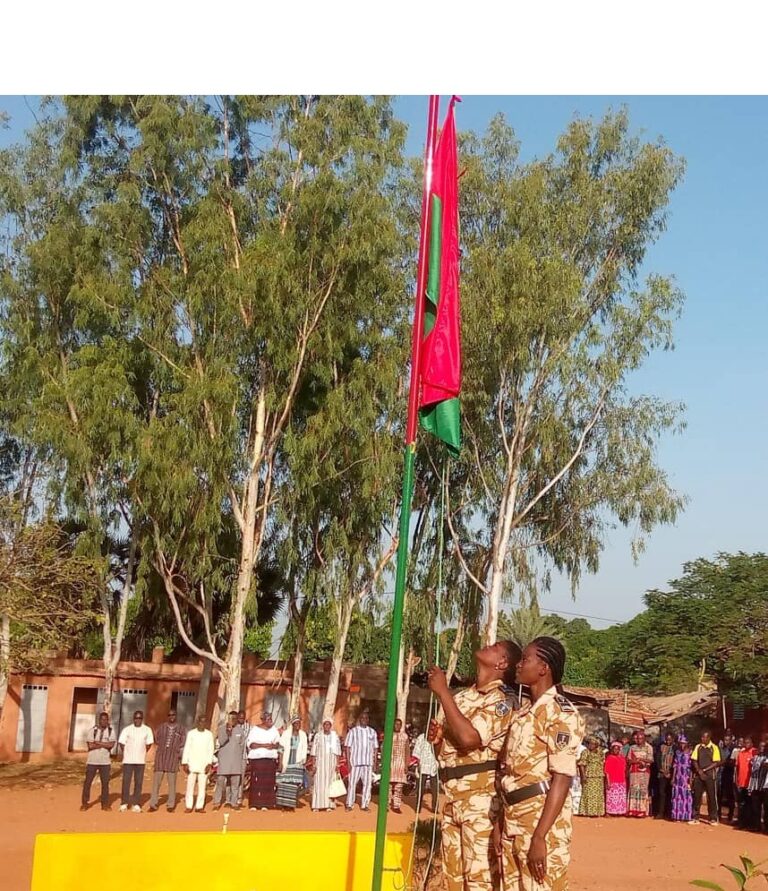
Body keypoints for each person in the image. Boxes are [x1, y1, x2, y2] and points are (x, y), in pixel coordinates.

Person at [428, 640, 520, 891]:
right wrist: (437, 740)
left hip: (480, 801)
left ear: (502, 664)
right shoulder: (463, 697)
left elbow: (470, 738)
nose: (488, 645)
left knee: (480, 881)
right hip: (452, 797)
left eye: (495, 647)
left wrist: (443, 692)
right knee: (454, 880)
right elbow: (447, 751)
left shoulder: (501, 702)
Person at [495, 637, 584, 891]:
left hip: (540, 822)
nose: (518, 665)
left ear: (543, 668)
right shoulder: (523, 714)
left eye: (525, 659)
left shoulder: (560, 714)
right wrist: (502, 820)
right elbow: (512, 773)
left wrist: (540, 837)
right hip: (513, 818)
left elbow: (562, 778)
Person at [148, 707, 186, 812]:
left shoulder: (181, 729)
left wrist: (176, 751)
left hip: (173, 759)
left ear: (176, 716)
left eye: (173, 715)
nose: (171, 717)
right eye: (169, 715)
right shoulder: (161, 727)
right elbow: (157, 739)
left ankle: (170, 805)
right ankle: (153, 804)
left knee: (172, 783)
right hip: (161, 758)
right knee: (156, 783)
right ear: (167, 716)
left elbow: (183, 742)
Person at [118, 710, 154, 812]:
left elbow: (149, 744)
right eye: (136, 718)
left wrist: (142, 752)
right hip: (128, 761)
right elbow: (121, 743)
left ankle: (136, 803)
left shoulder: (147, 730)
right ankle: (124, 803)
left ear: (142, 719)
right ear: (133, 719)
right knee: (126, 782)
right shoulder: (127, 729)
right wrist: (127, 752)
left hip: (140, 761)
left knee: (138, 783)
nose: (137, 720)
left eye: (139, 718)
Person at [344, 711, 379, 812]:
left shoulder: (372, 732)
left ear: (368, 720)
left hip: (368, 763)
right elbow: (347, 747)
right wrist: (348, 762)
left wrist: (375, 762)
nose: (364, 719)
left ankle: (365, 805)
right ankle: (349, 804)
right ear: (360, 719)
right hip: (355, 762)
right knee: (352, 783)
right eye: (362, 718)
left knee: (368, 784)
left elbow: (375, 748)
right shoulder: (353, 731)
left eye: (366, 718)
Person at [81, 712, 116, 811]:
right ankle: (84, 803)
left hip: (105, 762)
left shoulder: (110, 731)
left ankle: (105, 804)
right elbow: (90, 746)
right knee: (88, 782)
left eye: (106, 719)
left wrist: (98, 743)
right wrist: (105, 744)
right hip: (92, 761)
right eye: (102, 719)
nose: (104, 721)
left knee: (105, 784)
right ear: (99, 720)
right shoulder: (92, 731)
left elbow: (111, 745)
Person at [213, 710, 248, 810]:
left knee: (235, 783)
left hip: (236, 761)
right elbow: (221, 742)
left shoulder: (240, 731)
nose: (232, 720)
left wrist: (240, 758)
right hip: (224, 761)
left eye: (234, 719)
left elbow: (242, 746)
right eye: (231, 718)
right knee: (220, 782)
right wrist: (228, 733)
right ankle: (217, 802)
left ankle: (234, 802)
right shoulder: (221, 729)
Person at [246, 711, 280, 810]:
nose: (271, 721)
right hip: (257, 760)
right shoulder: (255, 730)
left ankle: (266, 803)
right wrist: (265, 745)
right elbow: (252, 745)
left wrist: (273, 746)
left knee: (268, 782)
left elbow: (277, 743)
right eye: (268, 719)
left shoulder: (274, 730)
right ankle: (254, 804)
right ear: (263, 720)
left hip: (270, 760)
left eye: (271, 719)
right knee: (256, 782)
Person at [181, 715, 215, 813]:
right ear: (197, 722)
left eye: (204, 722)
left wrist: (209, 763)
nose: (202, 723)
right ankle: (189, 805)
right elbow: (187, 748)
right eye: (201, 721)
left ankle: (199, 806)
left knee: (202, 786)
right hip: (191, 764)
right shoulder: (191, 733)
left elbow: (210, 750)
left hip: (204, 765)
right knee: (190, 786)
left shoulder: (209, 734)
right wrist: (185, 763)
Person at [276, 715, 308, 810]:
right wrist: (280, 762)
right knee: (284, 783)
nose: (298, 725)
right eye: (296, 723)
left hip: (297, 761)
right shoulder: (286, 734)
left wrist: (303, 761)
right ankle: (283, 804)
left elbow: (305, 748)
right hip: (287, 760)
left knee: (294, 784)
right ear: (293, 724)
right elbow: (281, 749)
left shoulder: (303, 735)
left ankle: (290, 805)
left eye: (299, 723)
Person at [310, 719, 342, 811]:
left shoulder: (334, 736)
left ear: (331, 726)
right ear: (323, 725)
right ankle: (317, 805)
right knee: (319, 783)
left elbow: (338, 751)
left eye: (328, 724)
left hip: (331, 764)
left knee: (329, 784)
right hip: (320, 763)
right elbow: (314, 751)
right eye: (325, 724)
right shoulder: (318, 736)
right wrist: (313, 764)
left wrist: (337, 764)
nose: (327, 726)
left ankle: (329, 805)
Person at [691, 730, 721, 824]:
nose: (703, 739)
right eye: (702, 737)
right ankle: (695, 817)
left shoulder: (714, 747)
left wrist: (704, 770)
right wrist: (699, 771)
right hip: (698, 775)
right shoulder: (698, 747)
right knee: (697, 796)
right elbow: (694, 760)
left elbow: (716, 762)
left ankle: (713, 818)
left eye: (705, 737)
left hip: (710, 775)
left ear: (709, 738)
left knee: (711, 797)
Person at [412, 726, 439, 815]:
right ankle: (418, 807)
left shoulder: (436, 738)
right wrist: (418, 764)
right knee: (420, 789)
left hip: (433, 766)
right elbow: (417, 752)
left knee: (435, 789)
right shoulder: (421, 738)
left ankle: (435, 808)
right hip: (423, 766)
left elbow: (439, 751)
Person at [626, 730, 654, 817]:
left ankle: (642, 810)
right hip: (634, 772)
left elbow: (651, 760)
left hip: (644, 772)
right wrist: (635, 761)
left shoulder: (649, 747)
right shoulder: (632, 747)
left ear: (644, 738)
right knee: (633, 789)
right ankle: (632, 810)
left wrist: (641, 760)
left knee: (642, 790)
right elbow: (628, 760)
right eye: (637, 738)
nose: (638, 740)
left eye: (641, 738)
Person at [577, 737, 605, 817]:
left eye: (593, 744)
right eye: (589, 743)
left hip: (599, 775)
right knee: (588, 794)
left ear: (596, 745)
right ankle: (588, 812)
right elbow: (582, 765)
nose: (590, 745)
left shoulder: (600, 752)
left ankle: (597, 812)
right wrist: (583, 776)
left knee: (598, 794)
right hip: (589, 775)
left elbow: (602, 762)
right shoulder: (585, 752)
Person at [387, 718, 410, 814]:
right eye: (395, 724)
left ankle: (396, 806)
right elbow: (384, 749)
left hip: (400, 764)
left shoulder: (405, 737)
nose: (397, 726)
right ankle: (386, 805)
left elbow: (407, 751)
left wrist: (406, 764)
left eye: (399, 724)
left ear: (401, 726)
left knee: (399, 787)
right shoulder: (389, 735)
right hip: (390, 763)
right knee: (387, 786)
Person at [670, 734, 693, 823]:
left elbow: (691, 767)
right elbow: (675, 766)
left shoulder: (690, 753)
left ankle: (686, 816)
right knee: (677, 797)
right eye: (680, 743)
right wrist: (673, 778)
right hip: (678, 777)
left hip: (686, 777)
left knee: (686, 796)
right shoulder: (677, 752)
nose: (682, 745)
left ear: (687, 743)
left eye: (684, 743)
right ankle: (677, 816)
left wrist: (690, 779)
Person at [736, 736, 757, 829]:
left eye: (748, 742)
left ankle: (751, 824)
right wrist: (736, 779)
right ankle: (741, 823)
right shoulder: (740, 753)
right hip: (741, 783)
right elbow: (737, 768)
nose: (746, 744)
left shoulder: (755, 752)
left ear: (752, 743)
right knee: (741, 804)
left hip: (751, 784)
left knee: (751, 805)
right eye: (745, 742)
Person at [747, 740, 768, 832]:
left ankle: (766, 827)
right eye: (760, 746)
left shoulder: (766, 758)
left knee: (766, 808)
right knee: (756, 807)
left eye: (763, 746)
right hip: (755, 786)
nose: (761, 748)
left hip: (763, 786)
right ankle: (757, 826)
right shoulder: (754, 757)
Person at [718, 730, 737, 823]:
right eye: (725, 740)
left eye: (727, 740)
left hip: (729, 775)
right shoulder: (720, 749)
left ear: (731, 740)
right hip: (720, 775)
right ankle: (717, 815)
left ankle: (730, 815)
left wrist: (723, 763)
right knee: (719, 795)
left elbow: (732, 763)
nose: (726, 742)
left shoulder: (733, 749)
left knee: (730, 796)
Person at [655, 731, 676, 819]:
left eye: (669, 740)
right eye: (667, 739)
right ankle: (660, 813)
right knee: (661, 793)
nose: (668, 741)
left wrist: (670, 773)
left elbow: (676, 761)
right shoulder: (661, 747)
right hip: (661, 773)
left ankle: (669, 813)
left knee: (670, 793)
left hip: (671, 774)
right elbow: (657, 760)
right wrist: (662, 771)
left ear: (673, 740)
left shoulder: (675, 748)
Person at [605, 741, 628, 816]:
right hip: (612, 781)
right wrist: (608, 782)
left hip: (621, 780)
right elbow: (607, 771)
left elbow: (624, 769)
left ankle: (619, 811)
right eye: (614, 749)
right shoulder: (609, 758)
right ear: (612, 749)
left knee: (620, 797)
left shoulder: (622, 758)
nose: (616, 750)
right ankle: (610, 812)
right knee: (611, 797)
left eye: (617, 749)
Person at [236, 709, 251, 805]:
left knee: (241, 777)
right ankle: (231, 797)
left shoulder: (249, 727)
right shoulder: (234, 727)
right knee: (233, 777)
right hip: (233, 756)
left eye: (243, 717)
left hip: (243, 756)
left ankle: (239, 797)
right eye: (240, 717)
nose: (241, 719)